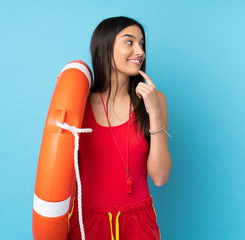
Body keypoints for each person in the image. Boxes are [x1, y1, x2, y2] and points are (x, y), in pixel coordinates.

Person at [68, 16, 172, 240]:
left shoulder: (156, 100)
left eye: (142, 44)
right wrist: (66, 90)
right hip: (87, 222)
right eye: (129, 42)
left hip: (138, 222)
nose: (140, 52)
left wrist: (153, 112)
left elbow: (160, 177)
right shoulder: (79, 102)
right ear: (104, 48)